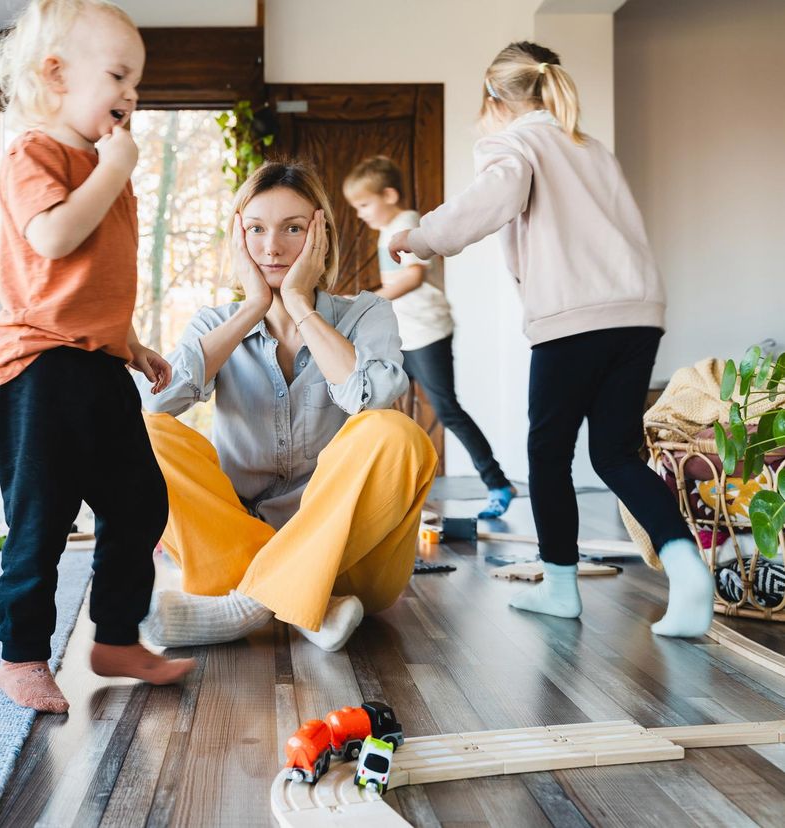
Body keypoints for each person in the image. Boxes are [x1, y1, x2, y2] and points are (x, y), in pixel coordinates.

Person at [390, 41, 713, 638]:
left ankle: (561, 588)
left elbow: (492, 198)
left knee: (547, 454)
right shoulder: (589, 148)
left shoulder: (516, 143)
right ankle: (687, 569)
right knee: (615, 453)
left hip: (575, 317)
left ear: (495, 98)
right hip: (637, 312)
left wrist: (421, 234)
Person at [134, 160, 438, 653]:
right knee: (143, 433)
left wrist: (300, 304)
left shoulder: (368, 313)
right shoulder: (216, 322)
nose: (272, 247)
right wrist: (252, 308)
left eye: (293, 229)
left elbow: (373, 400)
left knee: (396, 433)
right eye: (255, 229)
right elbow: (158, 401)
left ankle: (248, 606)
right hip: (230, 551)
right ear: (238, 238)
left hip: (348, 560)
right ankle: (308, 605)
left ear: (321, 237)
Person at [0, 0, 194, 713]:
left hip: (98, 363)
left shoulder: (105, 164)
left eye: (136, 83)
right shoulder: (35, 152)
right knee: (41, 521)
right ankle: (21, 656)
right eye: (117, 76)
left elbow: (89, 281)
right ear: (56, 75)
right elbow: (52, 241)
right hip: (39, 369)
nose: (130, 96)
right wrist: (113, 170)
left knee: (140, 501)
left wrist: (128, 342)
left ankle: (115, 637)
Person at [344, 156, 515, 519]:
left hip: (427, 332)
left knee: (446, 410)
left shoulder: (406, 224)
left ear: (389, 195)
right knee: (387, 410)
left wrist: (363, 302)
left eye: (364, 204)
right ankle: (393, 492)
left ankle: (497, 482)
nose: (360, 213)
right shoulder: (386, 229)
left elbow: (413, 277)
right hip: (404, 335)